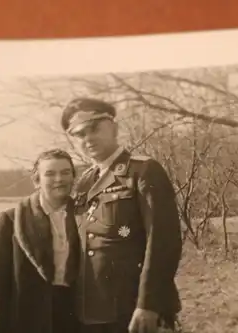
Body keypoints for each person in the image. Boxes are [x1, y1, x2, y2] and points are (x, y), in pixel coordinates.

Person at [60, 98, 183, 333]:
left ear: (114, 127)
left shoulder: (143, 171)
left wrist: (149, 304)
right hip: (91, 310)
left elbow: (163, 243)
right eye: (79, 134)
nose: (88, 139)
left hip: (132, 308)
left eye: (94, 128)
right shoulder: (83, 182)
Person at [0, 149, 81, 333]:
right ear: (37, 181)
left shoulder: (86, 215)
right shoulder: (12, 220)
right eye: (50, 174)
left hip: (75, 312)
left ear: (73, 178)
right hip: (30, 316)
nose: (59, 179)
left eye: (65, 172)